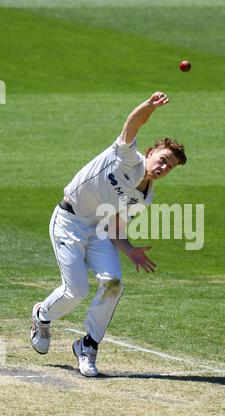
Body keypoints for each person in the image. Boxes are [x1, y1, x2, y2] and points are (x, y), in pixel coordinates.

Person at [30, 91, 187, 377]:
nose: (164, 167)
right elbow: (132, 125)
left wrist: (131, 250)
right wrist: (149, 106)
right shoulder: (126, 156)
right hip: (69, 220)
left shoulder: (145, 197)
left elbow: (115, 228)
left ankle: (87, 345)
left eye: (170, 166)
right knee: (76, 290)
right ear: (151, 153)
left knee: (114, 283)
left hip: (100, 230)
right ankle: (42, 316)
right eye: (163, 159)